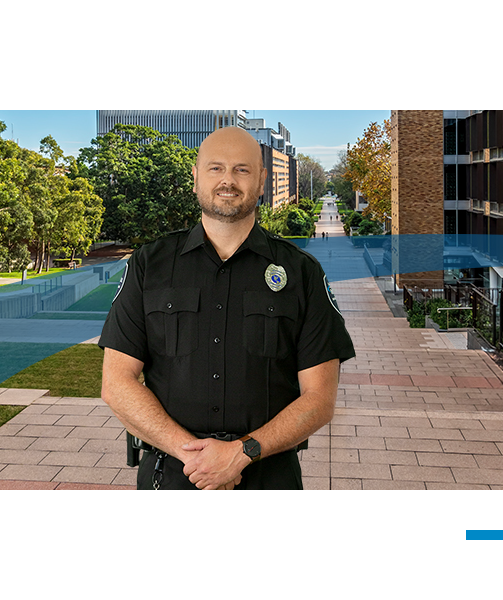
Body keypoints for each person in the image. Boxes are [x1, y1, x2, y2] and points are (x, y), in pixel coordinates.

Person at [98, 127, 355, 490]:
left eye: (242, 170)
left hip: (269, 479)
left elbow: (319, 399)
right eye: (215, 168)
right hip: (172, 476)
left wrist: (241, 453)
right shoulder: (148, 266)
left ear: (263, 180)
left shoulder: (302, 273)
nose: (228, 180)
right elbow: (116, 383)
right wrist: (194, 457)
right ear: (196, 177)